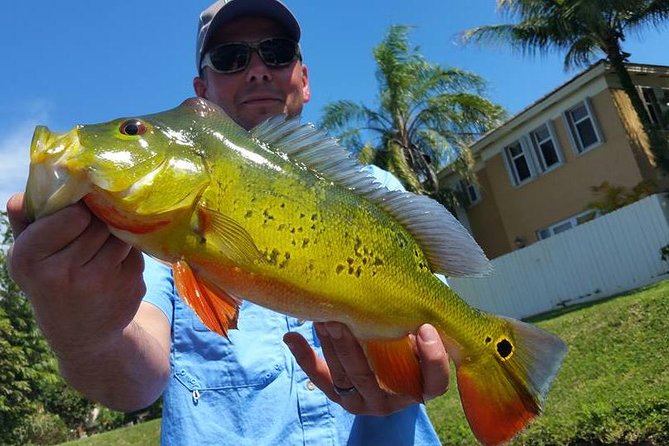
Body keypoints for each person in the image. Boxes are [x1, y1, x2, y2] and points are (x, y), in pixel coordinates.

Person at [7, 1, 451, 444]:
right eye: (230, 58)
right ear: (201, 91)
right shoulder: (152, 235)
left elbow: (437, 332)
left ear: (305, 78)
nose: (257, 70)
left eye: (276, 52)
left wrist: (412, 364)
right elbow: (134, 384)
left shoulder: (379, 192)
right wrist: (86, 335)